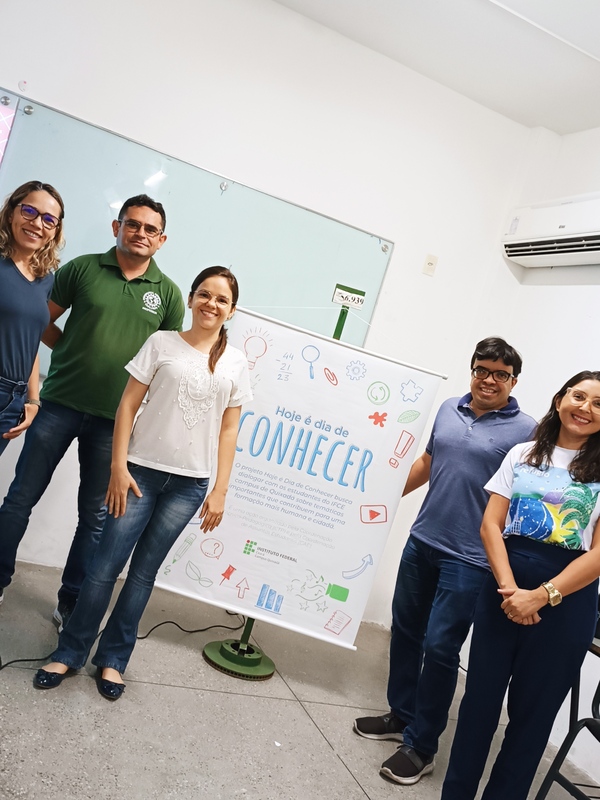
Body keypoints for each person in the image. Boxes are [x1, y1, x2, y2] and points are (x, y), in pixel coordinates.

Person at [33, 267, 251, 700]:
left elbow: (230, 429)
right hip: (138, 475)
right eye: (204, 294)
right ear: (190, 299)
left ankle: (113, 661)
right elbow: (128, 405)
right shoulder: (162, 343)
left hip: (189, 486)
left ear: (231, 310)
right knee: (103, 569)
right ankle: (69, 652)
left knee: (143, 575)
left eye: (221, 299)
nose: (211, 304)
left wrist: (220, 490)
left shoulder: (236, 362)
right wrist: (118, 466)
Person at [353, 337, 537, 785]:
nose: (489, 380)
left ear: (513, 381)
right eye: (482, 370)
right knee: (406, 631)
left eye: (500, 374)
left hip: (471, 558)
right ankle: (401, 713)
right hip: (423, 540)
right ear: (472, 370)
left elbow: (524, 499)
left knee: (440, 647)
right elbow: (428, 461)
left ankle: (422, 746)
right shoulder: (449, 409)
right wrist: (383, 499)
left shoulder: (527, 430)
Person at [0, 195, 184, 626]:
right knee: (20, 500)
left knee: (95, 518)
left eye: (150, 229)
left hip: (114, 423)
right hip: (58, 405)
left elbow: (169, 362)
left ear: (161, 240)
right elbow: (39, 319)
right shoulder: (82, 269)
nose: (140, 233)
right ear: (117, 227)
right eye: (132, 224)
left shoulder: (169, 295)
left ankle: (70, 602)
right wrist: (69, 349)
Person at [441, 371, 600, 800]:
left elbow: (598, 555)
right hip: (504, 588)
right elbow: (490, 525)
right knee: (478, 705)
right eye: (579, 396)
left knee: (533, 719)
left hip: (567, 600)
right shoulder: (523, 453)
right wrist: (512, 590)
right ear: (560, 399)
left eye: (598, 404)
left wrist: (541, 596)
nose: (585, 408)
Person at [0, 181, 64, 458]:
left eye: (49, 220)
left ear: (55, 231)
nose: (37, 224)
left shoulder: (45, 279)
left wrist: (33, 399)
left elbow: (30, 341)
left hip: (13, 400)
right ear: (11, 213)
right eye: (29, 211)